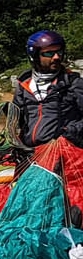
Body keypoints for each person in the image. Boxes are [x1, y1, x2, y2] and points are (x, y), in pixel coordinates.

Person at [11, 29, 83, 169]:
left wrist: (69, 133)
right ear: (35, 56)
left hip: (64, 158)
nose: (56, 57)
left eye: (59, 53)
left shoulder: (74, 83)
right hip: (30, 156)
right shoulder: (24, 85)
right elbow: (18, 121)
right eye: (49, 53)